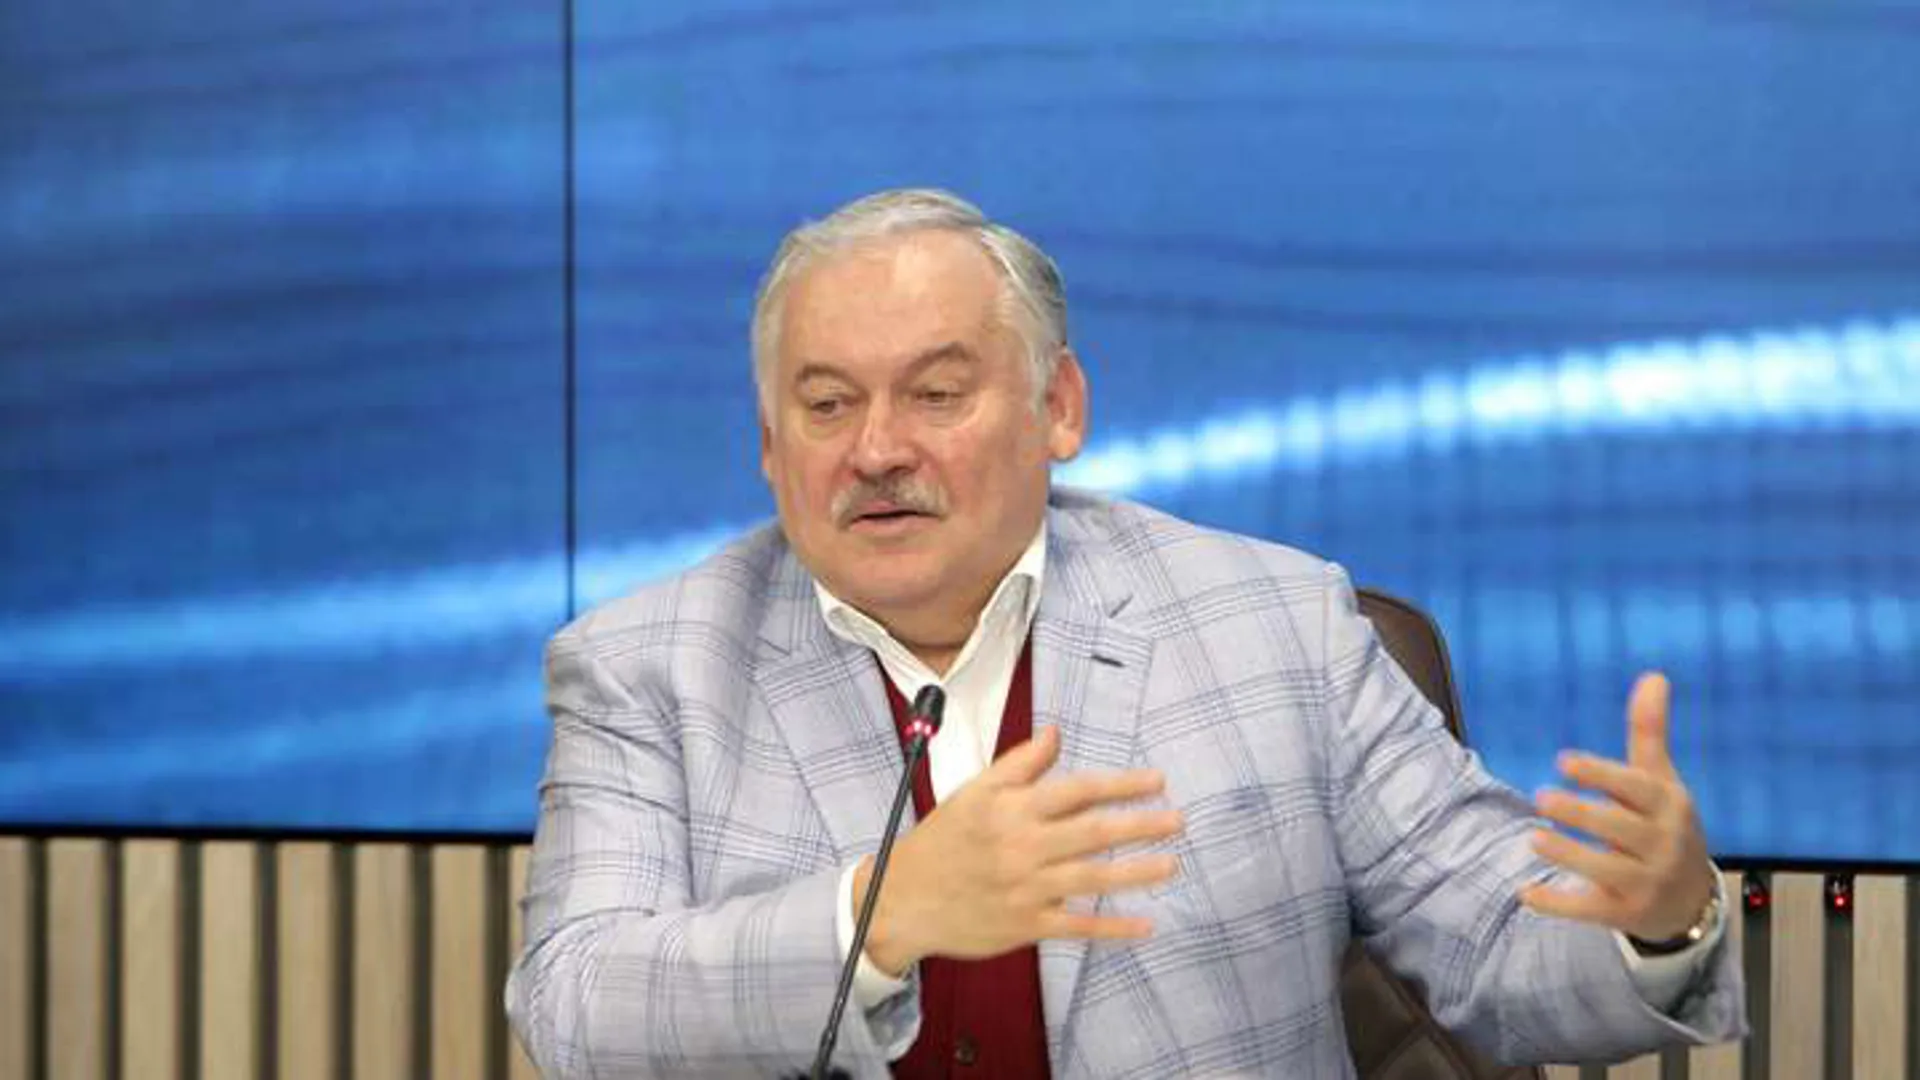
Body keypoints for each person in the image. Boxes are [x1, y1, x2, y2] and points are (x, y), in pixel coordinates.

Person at [505, 189, 1745, 1078]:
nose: (876, 448)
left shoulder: (1276, 626)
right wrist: (879, 917)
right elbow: (575, 1005)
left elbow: (1495, 942)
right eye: (826, 405)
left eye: (936, 393)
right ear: (772, 450)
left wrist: (1657, 919)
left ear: (1059, 408)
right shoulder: (647, 666)